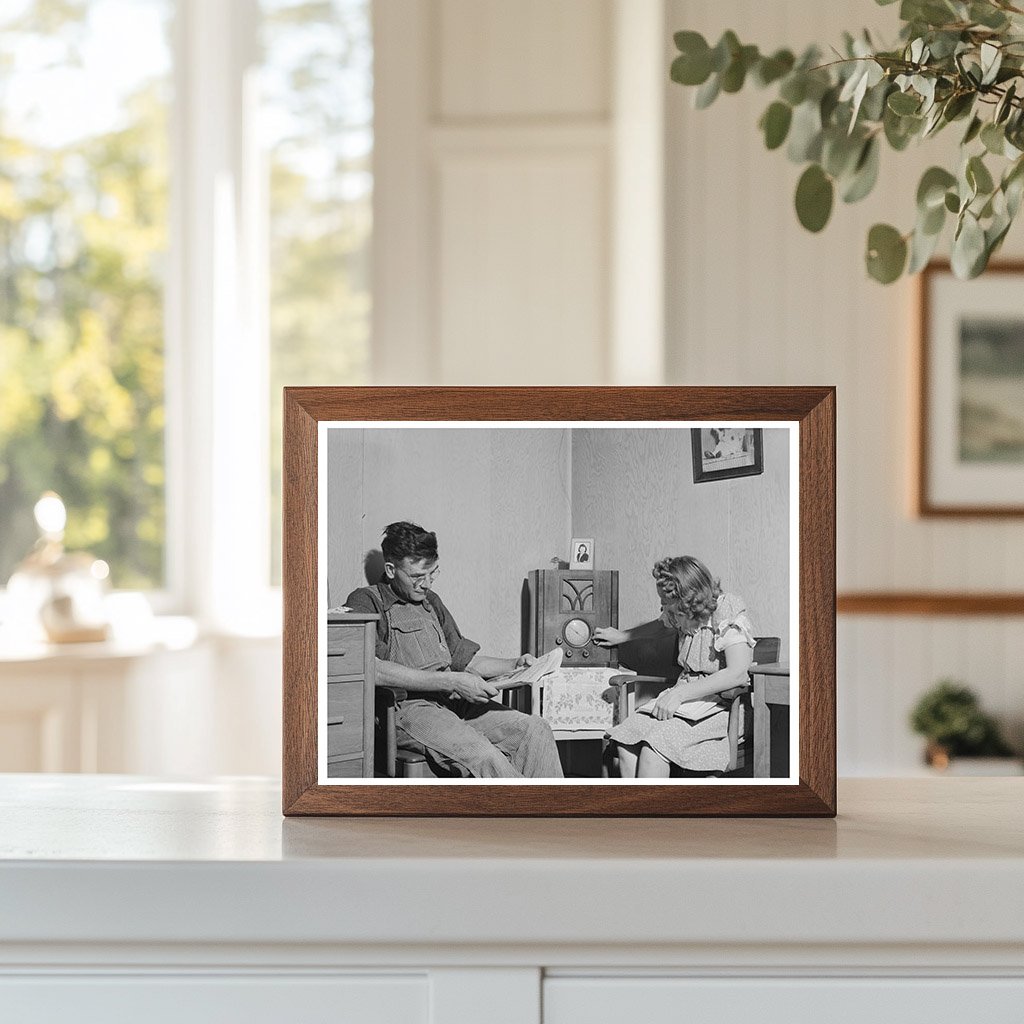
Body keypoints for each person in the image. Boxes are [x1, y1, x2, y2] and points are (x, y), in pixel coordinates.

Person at [345, 521, 564, 778]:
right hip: (409, 710)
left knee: (534, 729)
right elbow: (374, 669)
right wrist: (452, 681)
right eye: (417, 577)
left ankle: (551, 813)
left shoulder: (431, 602)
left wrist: (514, 664)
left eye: (433, 573)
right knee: (483, 755)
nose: (426, 584)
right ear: (391, 570)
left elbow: (464, 660)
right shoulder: (367, 600)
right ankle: (523, 815)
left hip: (452, 703)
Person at [593, 555, 755, 778]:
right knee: (626, 741)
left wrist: (680, 694)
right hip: (686, 702)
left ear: (688, 600)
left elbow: (737, 674)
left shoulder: (727, 609)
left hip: (724, 706)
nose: (663, 606)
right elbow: (661, 626)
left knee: (654, 747)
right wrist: (622, 636)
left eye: (667, 602)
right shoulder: (679, 612)